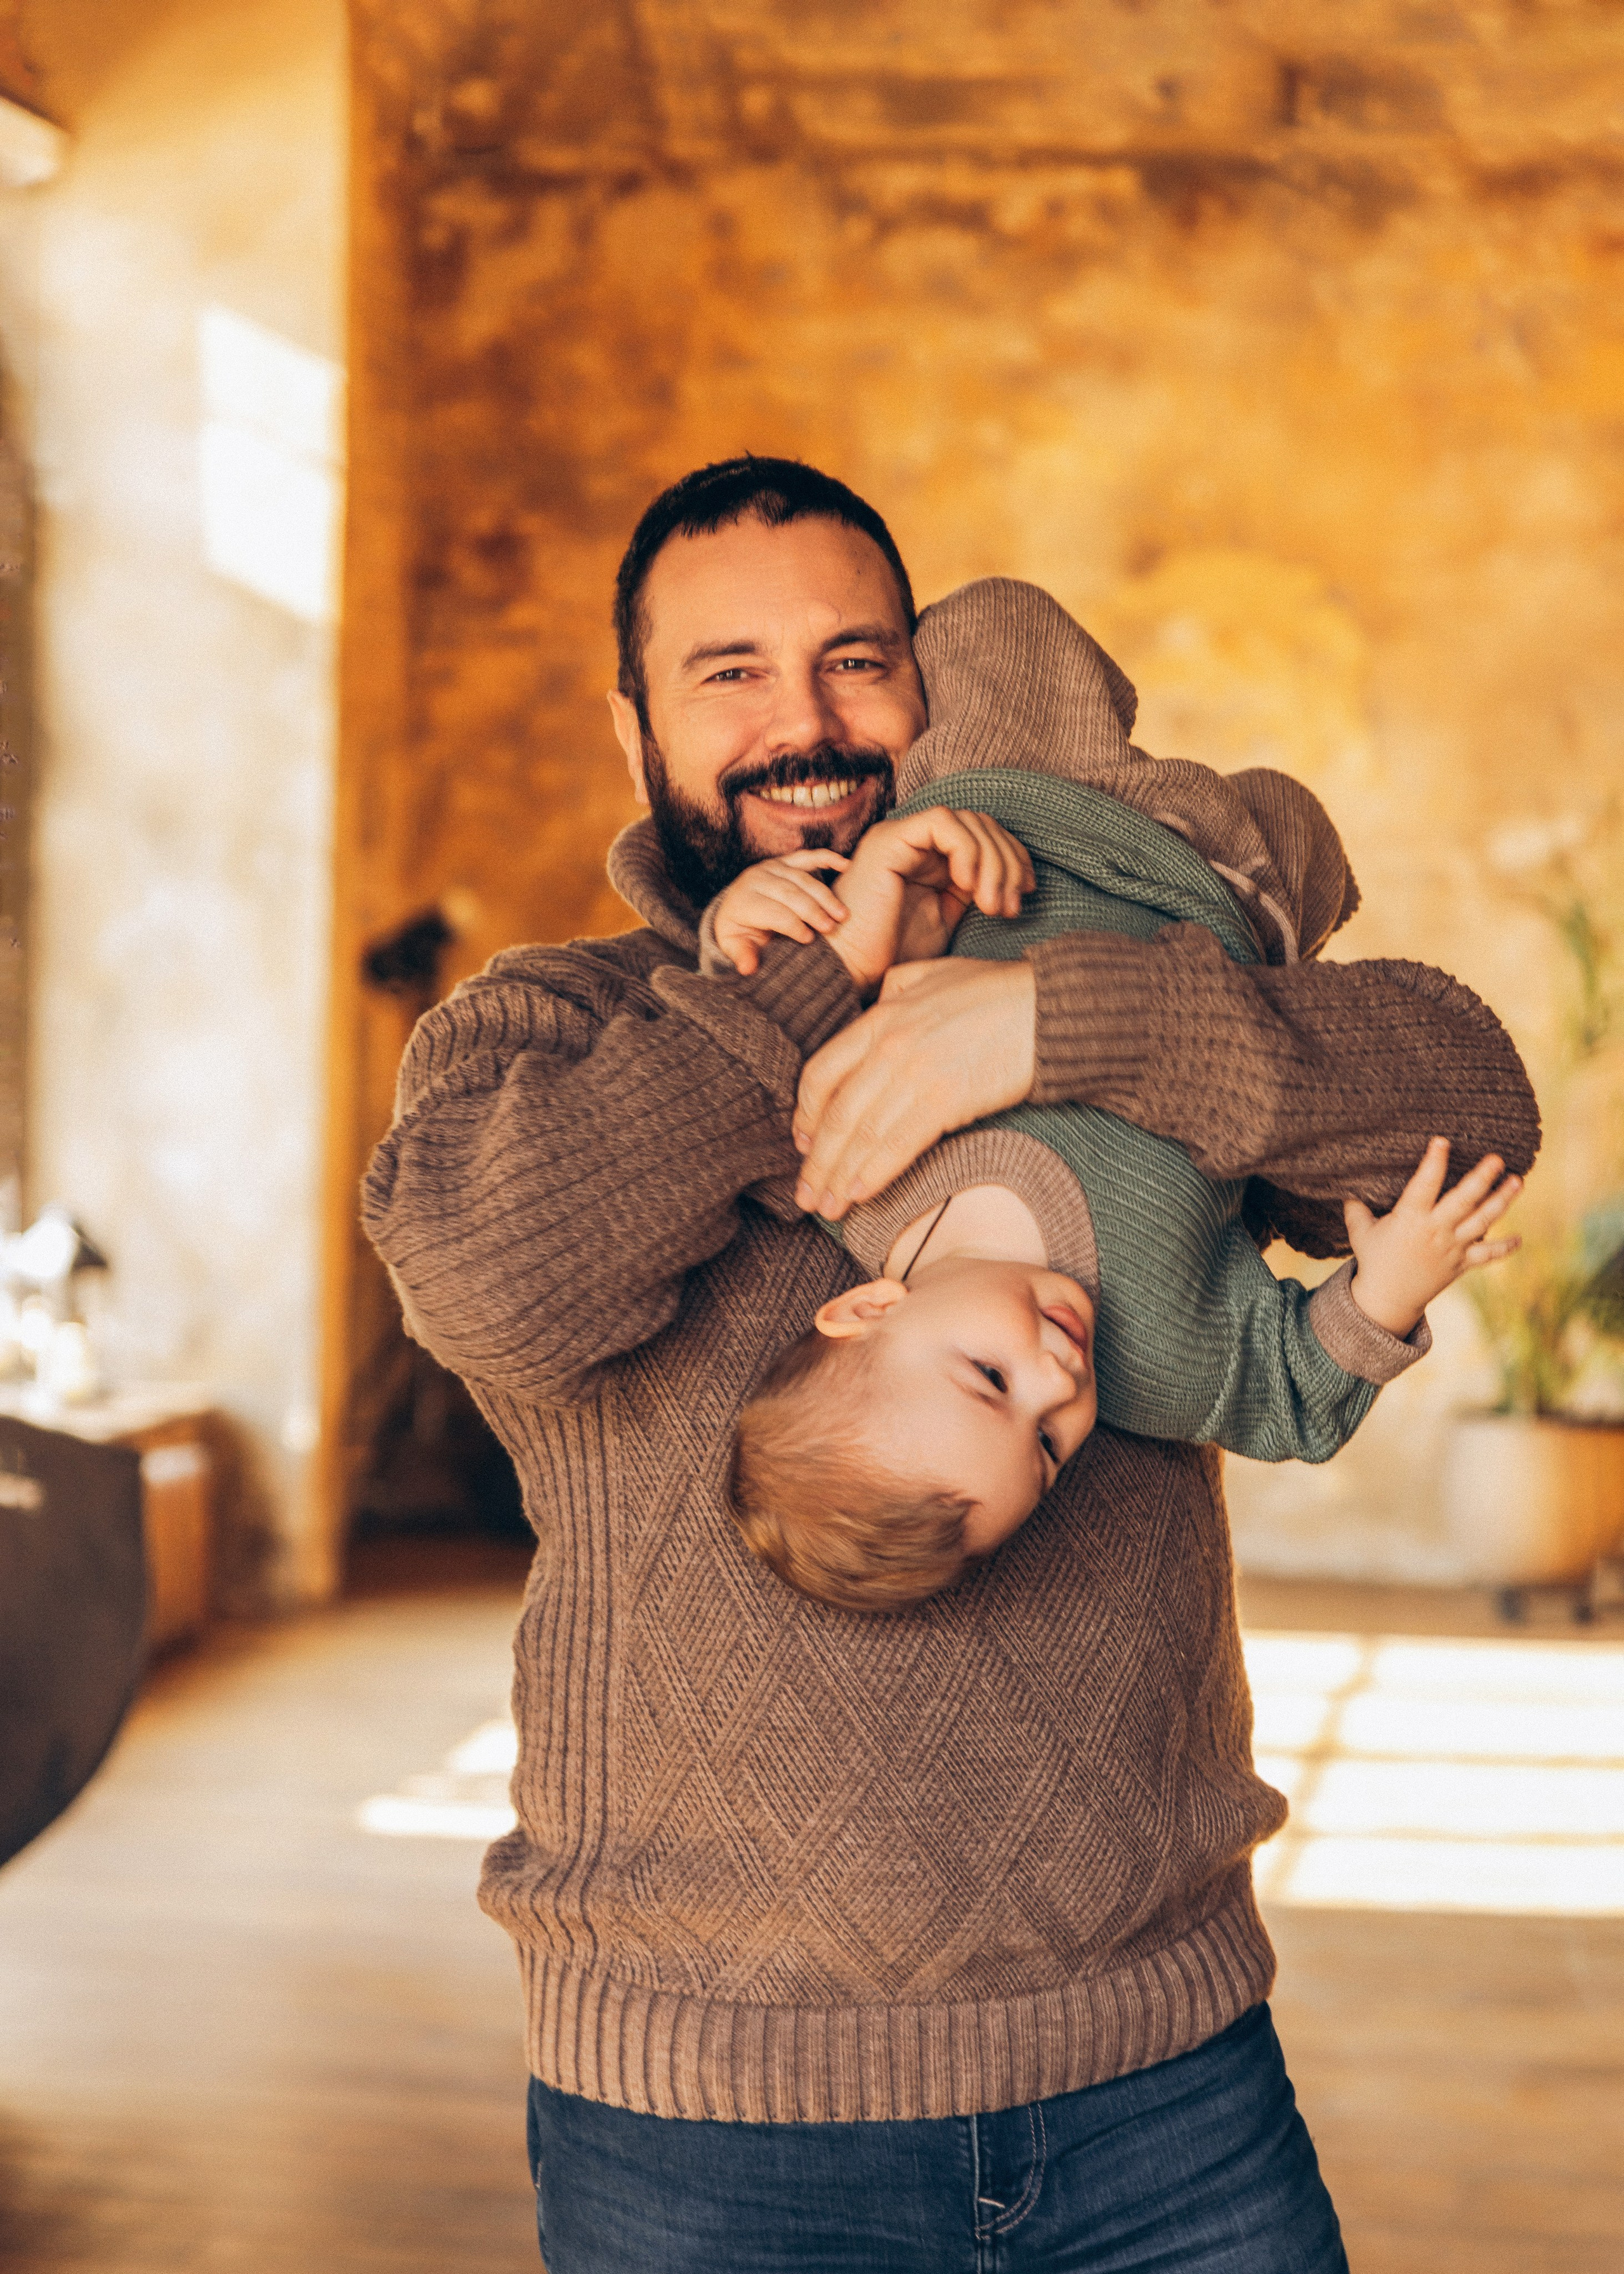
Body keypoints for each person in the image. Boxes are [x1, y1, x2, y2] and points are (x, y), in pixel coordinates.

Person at [363, 456, 1540, 2273]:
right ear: (634, 728)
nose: (805, 723)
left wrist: (1058, 1020)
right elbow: (495, 1278)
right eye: (730, 673)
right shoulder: (550, 1023)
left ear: (928, 687)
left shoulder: (1113, 954)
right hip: (706, 2121)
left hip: (1160, 2077)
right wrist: (814, 985)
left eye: (856, 660)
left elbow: (1473, 1113)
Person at [712, 577, 1522, 1608]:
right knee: (1302, 832)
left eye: (991, 1381)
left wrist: (740, 924)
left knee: (993, 621)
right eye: (1049, 1449)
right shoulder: (1168, 1358)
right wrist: (1389, 1292)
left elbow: (764, 1033)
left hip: (1011, 810)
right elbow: (1291, 1401)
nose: (1059, 1385)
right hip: (1222, 891)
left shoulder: (843, 1174)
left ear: (868, 1308)